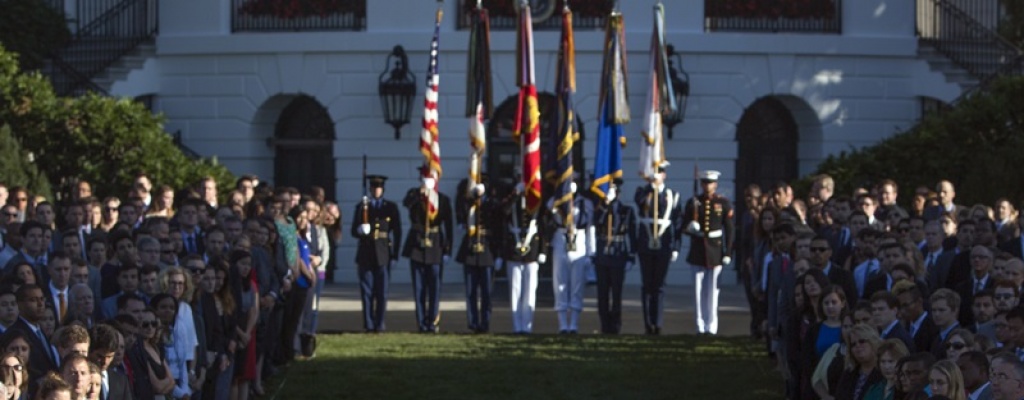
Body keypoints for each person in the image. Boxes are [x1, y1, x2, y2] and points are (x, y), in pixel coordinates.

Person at [683, 170, 735, 336]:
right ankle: (700, 325)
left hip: (715, 250)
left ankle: (711, 326)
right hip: (698, 249)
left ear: (715, 184)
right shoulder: (693, 202)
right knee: (698, 291)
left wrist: (728, 252)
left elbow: (730, 230)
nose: (707, 186)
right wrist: (690, 228)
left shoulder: (723, 203)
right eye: (705, 182)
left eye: (710, 182)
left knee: (713, 290)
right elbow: (683, 226)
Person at [401, 168, 453, 333]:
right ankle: (421, 323)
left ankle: (433, 321)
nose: (427, 179)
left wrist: (447, 250)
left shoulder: (442, 200)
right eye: (424, 177)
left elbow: (449, 226)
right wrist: (421, 194)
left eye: (430, 177)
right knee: (419, 288)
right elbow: (407, 204)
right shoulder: (414, 195)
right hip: (417, 246)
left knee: (434, 287)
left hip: (436, 246)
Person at [634, 164, 683, 335]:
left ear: (665, 175)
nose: (656, 175)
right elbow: (639, 203)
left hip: (664, 243)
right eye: (653, 171)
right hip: (646, 243)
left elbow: (677, 224)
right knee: (647, 284)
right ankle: (648, 323)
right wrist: (651, 187)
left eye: (659, 172)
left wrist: (676, 247)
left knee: (660, 285)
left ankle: (658, 322)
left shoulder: (673, 196)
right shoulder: (642, 192)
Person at [351, 175, 402, 333]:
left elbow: (397, 232)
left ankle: (379, 323)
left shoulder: (390, 207)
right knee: (367, 291)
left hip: (383, 253)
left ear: (383, 189)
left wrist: (394, 255)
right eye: (373, 188)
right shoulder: (362, 206)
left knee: (381, 291)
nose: (376, 190)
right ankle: (368, 323)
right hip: (366, 252)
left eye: (378, 188)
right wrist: (360, 230)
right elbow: (353, 230)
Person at [497, 180, 545, 334]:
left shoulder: (537, 201)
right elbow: (503, 212)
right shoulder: (512, 200)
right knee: (515, 291)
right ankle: (517, 326)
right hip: (514, 251)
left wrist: (543, 251)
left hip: (532, 252)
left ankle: (527, 326)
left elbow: (543, 226)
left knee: (530, 292)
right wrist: (515, 195)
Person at [547, 179, 594, 334]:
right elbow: (548, 210)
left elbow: (589, 228)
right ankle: (562, 324)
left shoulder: (584, 203)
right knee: (560, 283)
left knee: (577, 285)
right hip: (561, 239)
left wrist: (590, 253)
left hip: (578, 242)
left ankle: (573, 324)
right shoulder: (556, 201)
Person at [591, 178, 636, 334]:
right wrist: (605, 206)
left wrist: (631, 256)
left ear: (618, 193)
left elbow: (632, 234)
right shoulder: (600, 209)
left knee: (616, 294)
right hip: (603, 255)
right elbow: (596, 224)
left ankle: (615, 326)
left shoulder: (626, 210)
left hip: (618, 255)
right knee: (602, 294)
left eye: (612, 191)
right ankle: (604, 325)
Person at [454, 179, 500, 334]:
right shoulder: (467, 203)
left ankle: (485, 322)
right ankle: (473, 322)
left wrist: (498, 254)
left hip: (487, 251)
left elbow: (498, 224)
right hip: (470, 251)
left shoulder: (491, 204)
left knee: (486, 292)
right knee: (471, 291)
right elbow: (460, 209)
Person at [229, 250, 259, 400]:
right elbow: (229, 314)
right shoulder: (229, 286)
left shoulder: (250, 286)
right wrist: (240, 333)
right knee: (233, 377)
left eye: (248, 265)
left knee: (243, 374)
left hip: (246, 333)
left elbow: (253, 310)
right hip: (234, 332)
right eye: (242, 264)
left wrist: (247, 333)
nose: (246, 268)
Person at [833, 323, 883, 400]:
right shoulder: (848, 374)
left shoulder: (884, 372)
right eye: (853, 344)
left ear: (872, 341)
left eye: (862, 341)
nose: (858, 346)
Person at [86, 324, 132, 400]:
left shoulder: (120, 381)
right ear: (89, 351)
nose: (105, 362)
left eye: (109, 357)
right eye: (100, 356)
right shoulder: (80, 379)